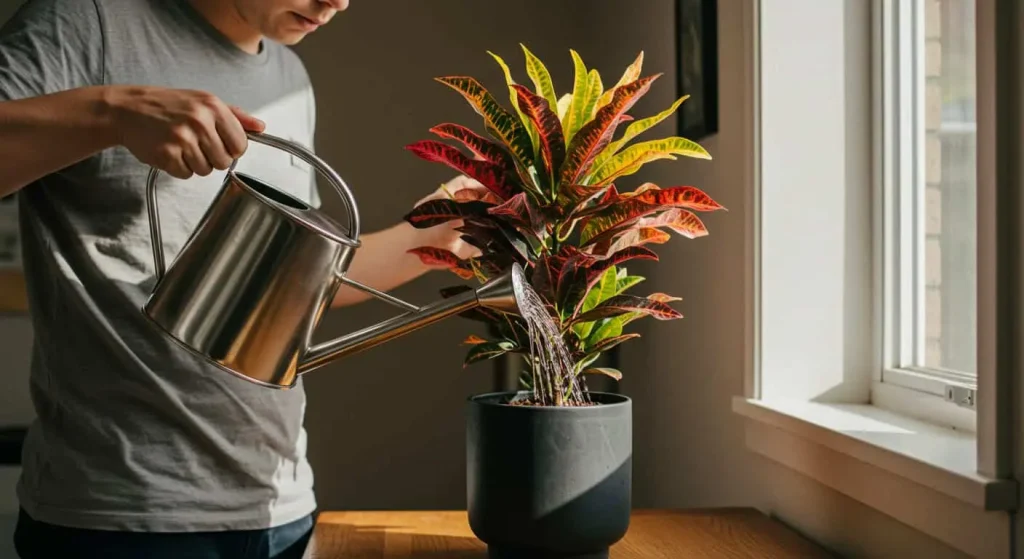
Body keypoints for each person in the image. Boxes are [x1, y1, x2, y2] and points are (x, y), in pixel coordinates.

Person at [0, 0, 480, 557]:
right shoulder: (88, 22)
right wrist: (113, 114)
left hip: (279, 507)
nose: (337, 2)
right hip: (123, 517)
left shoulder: (287, 75)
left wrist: (429, 235)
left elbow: (286, 280)